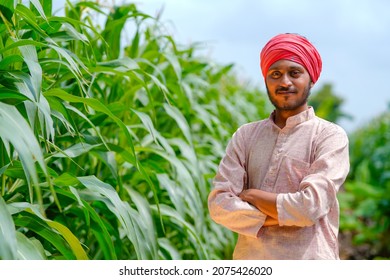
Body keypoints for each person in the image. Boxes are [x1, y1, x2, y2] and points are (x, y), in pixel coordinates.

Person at [208, 33, 350, 260]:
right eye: (275, 74)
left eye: (295, 73)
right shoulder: (246, 135)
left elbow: (310, 206)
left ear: (311, 79)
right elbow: (219, 204)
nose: (285, 82)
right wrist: (285, 214)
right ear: (266, 80)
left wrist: (252, 195)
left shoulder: (329, 136)